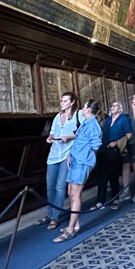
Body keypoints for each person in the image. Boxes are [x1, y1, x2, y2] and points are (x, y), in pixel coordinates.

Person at [54, 100, 101, 242]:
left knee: (75, 194)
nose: (82, 108)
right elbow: (80, 140)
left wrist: (85, 160)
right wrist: (71, 154)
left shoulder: (93, 124)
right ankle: (75, 225)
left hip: (81, 163)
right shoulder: (86, 123)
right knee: (70, 193)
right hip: (75, 161)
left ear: (88, 109)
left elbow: (95, 146)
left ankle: (70, 230)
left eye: (84, 106)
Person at [41, 92, 79, 230]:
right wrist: (50, 138)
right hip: (54, 155)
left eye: (65, 101)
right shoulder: (58, 116)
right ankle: (51, 213)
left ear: (72, 102)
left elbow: (81, 132)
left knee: (59, 187)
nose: (62, 103)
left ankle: (55, 217)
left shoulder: (77, 115)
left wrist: (69, 137)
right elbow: (52, 132)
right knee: (50, 186)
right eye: (61, 100)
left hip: (66, 155)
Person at [93, 101, 131, 211]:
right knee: (102, 176)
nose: (113, 107)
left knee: (113, 176)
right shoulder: (107, 119)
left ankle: (115, 199)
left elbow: (129, 135)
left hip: (114, 150)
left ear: (120, 109)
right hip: (103, 149)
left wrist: (117, 142)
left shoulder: (124, 119)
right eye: (112, 106)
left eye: (115, 106)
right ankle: (101, 201)